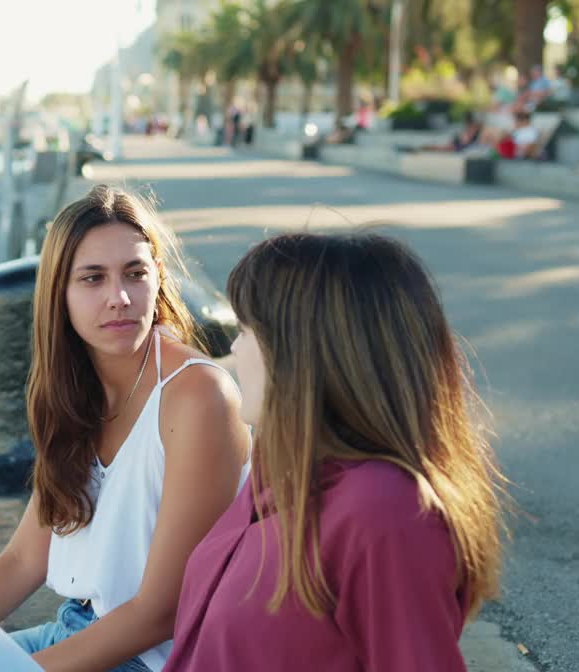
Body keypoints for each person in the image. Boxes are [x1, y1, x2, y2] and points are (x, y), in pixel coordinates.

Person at [0, 186, 251, 672]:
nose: (118, 298)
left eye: (135, 274)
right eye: (93, 279)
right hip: (77, 629)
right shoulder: (78, 394)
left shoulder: (197, 396)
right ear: (61, 294)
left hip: (151, 659)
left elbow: (159, 613)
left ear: (158, 279)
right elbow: (23, 559)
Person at [163, 232, 508, 672]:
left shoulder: (384, 510)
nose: (234, 347)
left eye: (247, 330)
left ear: (307, 352)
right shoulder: (279, 471)